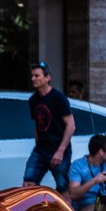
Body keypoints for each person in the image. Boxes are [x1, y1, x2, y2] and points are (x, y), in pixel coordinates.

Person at [23, 61, 75, 200]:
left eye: (37, 75)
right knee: (28, 183)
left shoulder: (58, 98)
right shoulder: (33, 100)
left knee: (63, 188)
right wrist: (38, 144)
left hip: (58, 148)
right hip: (41, 149)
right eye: (32, 76)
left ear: (47, 78)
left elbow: (71, 125)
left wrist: (60, 151)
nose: (33, 79)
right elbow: (37, 125)